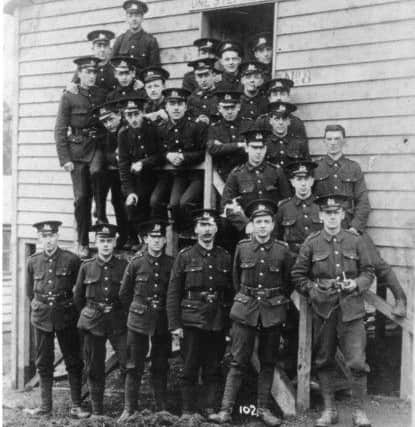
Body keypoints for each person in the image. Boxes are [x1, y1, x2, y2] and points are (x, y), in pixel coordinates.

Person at [291, 194, 375, 427]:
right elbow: (298, 274)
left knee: (357, 361)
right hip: (324, 310)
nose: (331, 217)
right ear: (321, 216)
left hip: (352, 309)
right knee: (324, 359)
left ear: (342, 215)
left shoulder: (355, 240)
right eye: (327, 213)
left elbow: (368, 271)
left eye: (336, 213)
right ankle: (330, 411)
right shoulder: (312, 242)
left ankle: (359, 412)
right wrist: (313, 291)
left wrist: (356, 284)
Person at [209, 200, 293, 427]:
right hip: (245, 309)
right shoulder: (242, 247)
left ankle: (263, 409)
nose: (263, 226)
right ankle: (225, 410)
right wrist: (247, 299)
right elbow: (236, 280)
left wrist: (274, 300)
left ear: (273, 225)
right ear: (252, 226)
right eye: (258, 222)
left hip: (272, 311)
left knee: (268, 361)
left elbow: (287, 283)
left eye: (266, 222)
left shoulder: (283, 250)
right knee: (238, 361)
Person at [314, 124, 406, 316]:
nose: (333, 143)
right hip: (328, 228)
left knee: (376, 263)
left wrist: (355, 228)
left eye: (337, 139)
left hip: (351, 227)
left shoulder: (353, 168)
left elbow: (364, 202)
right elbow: (313, 203)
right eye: (329, 139)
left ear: (344, 142)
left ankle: (399, 298)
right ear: (324, 142)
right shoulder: (316, 169)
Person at [167, 209, 232, 416]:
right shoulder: (184, 256)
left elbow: (231, 293)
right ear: (195, 229)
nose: (207, 230)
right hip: (191, 320)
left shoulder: (224, 256)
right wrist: (175, 325)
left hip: (217, 320)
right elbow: (174, 292)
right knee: (189, 366)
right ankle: (187, 411)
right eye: (202, 225)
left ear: (216, 228)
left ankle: (210, 408)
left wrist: (230, 325)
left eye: (210, 225)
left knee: (213, 366)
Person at [23, 221, 89, 419]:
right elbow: (29, 292)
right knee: (43, 361)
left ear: (57, 237)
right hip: (42, 315)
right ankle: (45, 407)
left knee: (73, 360)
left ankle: (76, 405)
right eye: (44, 236)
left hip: (66, 315)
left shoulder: (71, 260)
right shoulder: (32, 261)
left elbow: (81, 289)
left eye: (52, 236)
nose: (48, 240)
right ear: (39, 239)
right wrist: (39, 306)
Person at [118, 218, 173, 422]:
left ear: (165, 240)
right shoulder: (135, 263)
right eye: (153, 237)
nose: (157, 241)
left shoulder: (171, 263)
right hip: (138, 321)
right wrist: (135, 313)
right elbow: (124, 294)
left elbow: (174, 293)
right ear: (145, 239)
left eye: (160, 237)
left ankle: (161, 408)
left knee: (160, 364)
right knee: (133, 365)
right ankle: (129, 408)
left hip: (162, 321)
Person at [73, 224, 128, 418]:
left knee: (127, 362)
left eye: (109, 241)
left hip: (117, 321)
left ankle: (128, 409)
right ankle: (97, 412)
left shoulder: (123, 266)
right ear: (96, 243)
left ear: (114, 243)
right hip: (93, 322)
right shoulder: (86, 267)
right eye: (102, 241)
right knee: (94, 367)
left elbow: (127, 295)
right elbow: (78, 297)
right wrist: (90, 314)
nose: (105, 245)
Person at [55, 55, 107, 258]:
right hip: (76, 152)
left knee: (97, 172)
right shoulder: (69, 96)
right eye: (87, 72)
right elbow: (60, 128)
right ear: (79, 74)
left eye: (94, 72)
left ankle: (101, 214)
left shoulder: (102, 94)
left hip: (97, 146)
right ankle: (83, 241)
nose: (91, 76)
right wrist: (65, 159)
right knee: (81, 198)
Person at [275, 160, 321, 377]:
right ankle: (292, 370)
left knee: (318, 323)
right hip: (290, 272)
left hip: (315, 272)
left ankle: (315, 373)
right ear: (292, 182)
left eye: (307, 179)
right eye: (298, 179)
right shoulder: (284, 208)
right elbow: (276, 241)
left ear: (312, 181)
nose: (303, 184)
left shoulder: (321, 207)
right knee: (291, 321)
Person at [151, 88, 207, 232]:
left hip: (195, 174)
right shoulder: (160, 129)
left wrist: (184, 157)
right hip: (173, 175)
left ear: (186, 107)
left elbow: (203, 153)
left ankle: (184, 234)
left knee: (180, 204)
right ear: (166, 107)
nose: (176, 108)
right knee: (155, 201)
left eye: (180, 104)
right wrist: (167, 155)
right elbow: (155, 152)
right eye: (172, 104)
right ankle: (161, 235)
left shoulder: (196, 127)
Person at [221, 127, 291, 236]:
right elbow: (227, 206)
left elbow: (286, 201)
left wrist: (273, 224)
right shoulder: (236, 174)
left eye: (262, 147)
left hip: (274, 230)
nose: (258, 152)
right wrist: (246, 224)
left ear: (266, 148)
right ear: (247, 148)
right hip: (247, 232)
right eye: (254, 147)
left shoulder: (276, 171)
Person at [117, 95, 164, 244]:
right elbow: (123, 165)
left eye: (136, 114)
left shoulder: (153, 129)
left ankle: (156, 241)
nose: (134, 119)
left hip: (157, 176)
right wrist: (130, 191)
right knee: (131, 205)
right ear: (125, 116)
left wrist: (144, 163)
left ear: (142, 112)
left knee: (153, 203)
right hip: (137, 180)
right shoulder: (123, 135)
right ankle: (142, 241)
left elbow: (161, 155)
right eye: (129, 115)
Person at [94, 100, 131, 249]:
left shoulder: (127, 129)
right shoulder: (106, 134)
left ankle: (131, 237)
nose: (108, 124)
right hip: (116, 173)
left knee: (125, 204)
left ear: (119, 115)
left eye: (111, 119)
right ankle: (121, 235)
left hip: (130, 174)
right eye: (104, 122)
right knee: (116, 201)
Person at [207, 89, 250, 182]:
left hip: (247, 173)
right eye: (226, 108)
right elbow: (212, 149)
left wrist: (223, 147)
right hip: (223, 174)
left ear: (238, 107)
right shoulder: (214, 128)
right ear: (219, 109)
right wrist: (239, 145)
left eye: (232, 107)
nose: (230, 111)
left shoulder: (248, 125)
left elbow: (250, 147)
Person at [111, 0, 160, 79]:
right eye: (130, 15)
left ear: (142, 17)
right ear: (126, 18)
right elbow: (112, 65)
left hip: (142, 85)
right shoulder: (120, 40)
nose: (134, 19)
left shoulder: (150, 41)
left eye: (137, 15)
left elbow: (154, 69)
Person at [68, 30, 118, 94]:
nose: (102, 50)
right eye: (99, 46)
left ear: (110, 49)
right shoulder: (85, 66)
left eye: (105, 46)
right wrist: (70, 86)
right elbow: (72, 86)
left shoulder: (115, 67)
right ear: (93, 49)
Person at [264, 101, 309, 168]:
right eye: (277, 119)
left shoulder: (299, 143)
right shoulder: (264, 144)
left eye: (284, 119)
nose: (281, 122)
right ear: (271, 121)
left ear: (289, 121)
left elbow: (308, 166)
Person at [186, 57, 220, 125]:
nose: (203, 80)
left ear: (213, 75)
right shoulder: (191, 98)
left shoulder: (221, 95)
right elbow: (188, 120)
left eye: (206, 75)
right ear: (195, 78)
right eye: (200, 76)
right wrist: (197, 120)